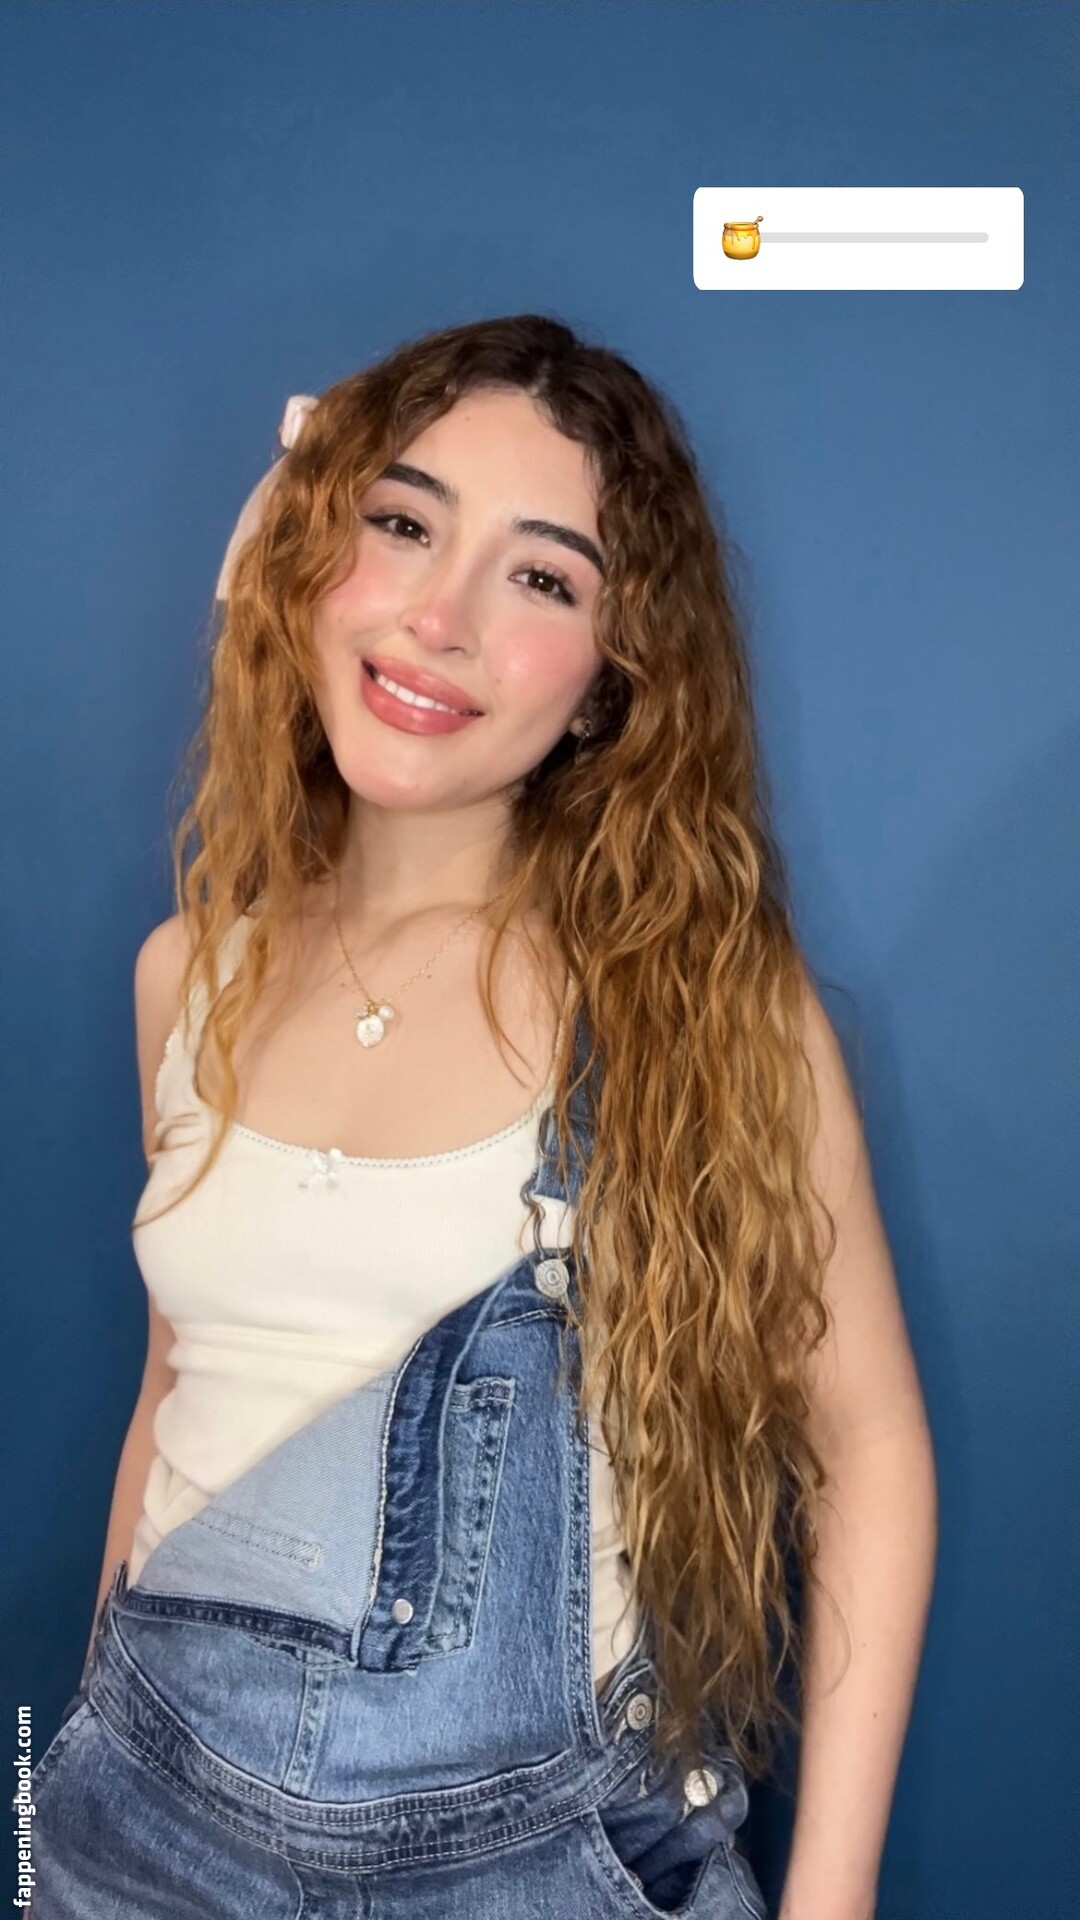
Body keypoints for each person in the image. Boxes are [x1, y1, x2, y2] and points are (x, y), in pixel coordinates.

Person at [24, 314, 936, 1919]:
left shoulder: (693, 1006)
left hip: (532, 1868)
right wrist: (84, 1747)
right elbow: (176, 1390)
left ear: (607, 678)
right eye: (400, 524)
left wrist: (832, 1899)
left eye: (541, 579)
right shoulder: (190, 975)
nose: (436, 619)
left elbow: (864, 1447)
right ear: (306, 560)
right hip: (139, 1836)